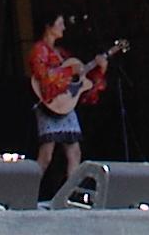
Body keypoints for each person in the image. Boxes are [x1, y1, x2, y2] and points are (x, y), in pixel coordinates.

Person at [27, 13, 107, 177]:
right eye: (60, 23)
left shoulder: (62, 53)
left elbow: (80, 83)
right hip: (49, 104)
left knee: (74, 152)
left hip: (66, 106)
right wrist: (70, 71)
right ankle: (29, 189)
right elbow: (44, 77)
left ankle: (71, 191)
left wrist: (100, 69)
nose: (63, 27)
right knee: (46, 155)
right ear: (48, 26)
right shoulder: (39, 50)